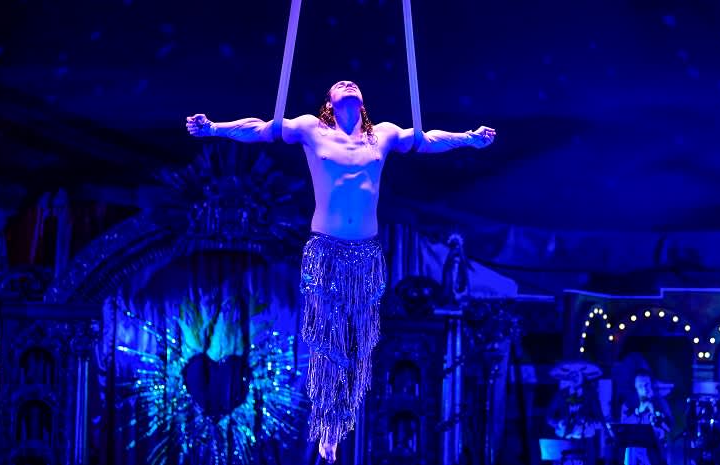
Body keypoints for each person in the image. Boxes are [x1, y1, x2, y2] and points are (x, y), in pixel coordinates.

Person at [186, 80, 496, 462]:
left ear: (363, 100)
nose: (348, 82)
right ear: (330, 103)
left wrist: (469, 138)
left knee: (358, 344)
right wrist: (214, 128)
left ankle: (341, 419)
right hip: (326, 250)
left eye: (353, 83)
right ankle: (326, 428)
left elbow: (428, 140)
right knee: (327, 340)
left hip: (365, 254)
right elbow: (261, 128)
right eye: (339, 84)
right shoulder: (311, 130)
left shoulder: (383, 135)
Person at [620, 370, 673, 465]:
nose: (644, 388)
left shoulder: (660, 402)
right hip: (634, 452)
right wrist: (641, 410)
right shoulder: (628, 404)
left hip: (654, 451)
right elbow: (624, 427)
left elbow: (668, 427)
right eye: (640, 386)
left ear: (651, 385)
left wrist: (654, 410)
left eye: (647, 385)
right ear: (635, 386)